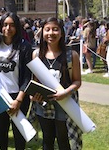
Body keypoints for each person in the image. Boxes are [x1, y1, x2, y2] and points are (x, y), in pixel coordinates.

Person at [31, 17, 82, 150]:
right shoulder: (36, 55)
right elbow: (35, 82)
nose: (51, 33)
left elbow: (77, 81)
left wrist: (65, 92)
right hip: (44, 105)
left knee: (63, 140)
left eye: (55, 29)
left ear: (61, 32)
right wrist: (33, 96)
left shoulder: (72, 55)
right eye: (47, 29)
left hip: (65, 105)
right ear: (42, 32)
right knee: (47, 140)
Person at [0, 12, 32, 150]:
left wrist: (18, 100)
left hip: (18, 96)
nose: (8, 28)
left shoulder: (24, 47)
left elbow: (27, 76)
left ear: (17, 27)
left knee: (19, 134)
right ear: (0, 26)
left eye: (11, 25)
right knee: (1, 132)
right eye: (5, 25)